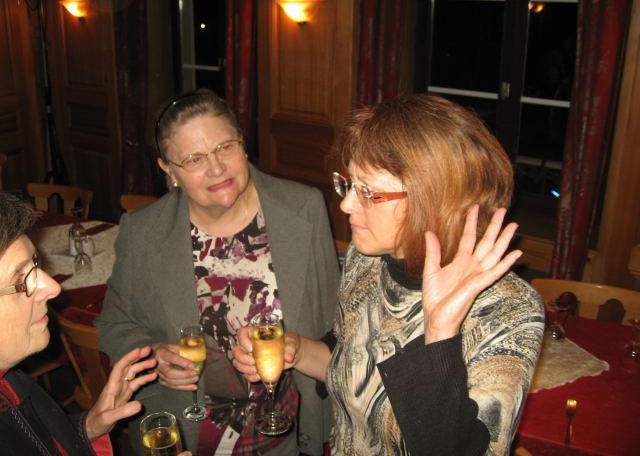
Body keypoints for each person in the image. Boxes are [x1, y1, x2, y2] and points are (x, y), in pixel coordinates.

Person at [233, 94, 545, 455]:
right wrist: (298, 350)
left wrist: (439, 336)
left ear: (434, 200)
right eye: (350, 183)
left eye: (368, 192)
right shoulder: (367, 259)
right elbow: (352, 361)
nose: (346, 204)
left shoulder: (509, 310)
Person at [95, 89, 340, 455]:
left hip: (287, 430)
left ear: (243, 144)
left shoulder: (304, 207)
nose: (216, 168)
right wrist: (153, 358)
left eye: (225, 147)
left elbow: (337, 320)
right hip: (192, 434)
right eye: (193, 159)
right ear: (168, 170)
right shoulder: (142, 232)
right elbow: (114, 324)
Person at [0, 192, 192, 456]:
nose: (53, 287)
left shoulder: (11, 379)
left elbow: (39, 443)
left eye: (35, 264)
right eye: (20, 280)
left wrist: (89, 427)